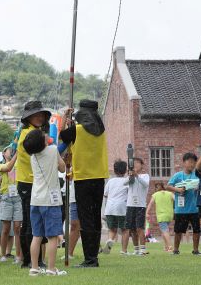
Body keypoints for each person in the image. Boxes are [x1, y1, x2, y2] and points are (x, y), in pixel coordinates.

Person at [59, 99, 108, 268]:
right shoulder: (101, 130)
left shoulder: (77, 130)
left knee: (86, 219)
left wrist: (65, 118)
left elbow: (62, 136)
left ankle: (90, 259)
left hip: (83, 178)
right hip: (99, 177)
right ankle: (94, 256)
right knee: (95, 219)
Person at [23, 129, 67, 276]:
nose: (46, 135)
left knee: (37, 236)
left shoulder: (33, 157)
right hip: (50, 201)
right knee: (52, 236)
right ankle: (51, 268)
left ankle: (34, 268)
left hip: (35, 200)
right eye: (44, 136)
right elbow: (62, 168)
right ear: (42, 141)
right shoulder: (53, 150)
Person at [16, 101, 51, 268]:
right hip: (29, 182)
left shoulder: (33, 132)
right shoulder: (28, 135)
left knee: (29, 222)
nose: (39, 117)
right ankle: (31, 260)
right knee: (31, 222)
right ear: (28, 117)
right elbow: (40, 156)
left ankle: (28, 260)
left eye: (41, 114)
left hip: (29, 182)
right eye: (35, 114)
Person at [166, 152, 201, 255]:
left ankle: (195, 250)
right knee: (178, 231)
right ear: (184, 162)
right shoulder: (178, 175)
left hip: (194, 208)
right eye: (190, 162)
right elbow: (168, 186)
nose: (192, 164)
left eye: (194, 162)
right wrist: (178, 189)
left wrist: (197, 188)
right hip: (180, 209)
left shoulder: (196, 175)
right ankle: (176, 250)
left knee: (196, 230)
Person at [0, 145, 22, 263]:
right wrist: (17, 154)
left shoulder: (18, 163)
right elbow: (8, 167)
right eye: (9, 149)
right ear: (3, 153)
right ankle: (3, 255)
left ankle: (18, 256)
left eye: (13, 149)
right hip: (6, 197)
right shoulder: (0, 165)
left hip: (18, 197)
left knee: (17, 228)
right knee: (5, 229)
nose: (11, 150)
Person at [120, 158, 150, 256]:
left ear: (142, 165)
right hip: (130, 205)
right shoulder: (130, 176)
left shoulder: (145, 176)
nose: (135, 165)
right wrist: (130, 176)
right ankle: (136, 249)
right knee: (131, 229)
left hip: (140, 205)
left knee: (139, 228)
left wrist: (136, 176)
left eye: (138, 163)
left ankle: (143, 249)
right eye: (134, 164)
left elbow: (145, 184)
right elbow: (124, 184)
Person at [101, 160, 128, 255]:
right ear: (125, 170)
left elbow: (105, 195)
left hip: (110, 208)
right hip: (122, 208)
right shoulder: (127, 181)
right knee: (125, 229)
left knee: (112, 229)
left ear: (115, 170)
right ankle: (123, 251)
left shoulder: (110, 181)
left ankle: (109, 240)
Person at [146, 182, 174, 252]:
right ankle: (166, 247)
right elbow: (176, 200)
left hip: (161, 215)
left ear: (156, 188)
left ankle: (170, 246)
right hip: (169, 215)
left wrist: (147, 213)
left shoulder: (155, 195)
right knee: (163, 231)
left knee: (165, 231)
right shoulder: (170, 193)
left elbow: (150, 204)